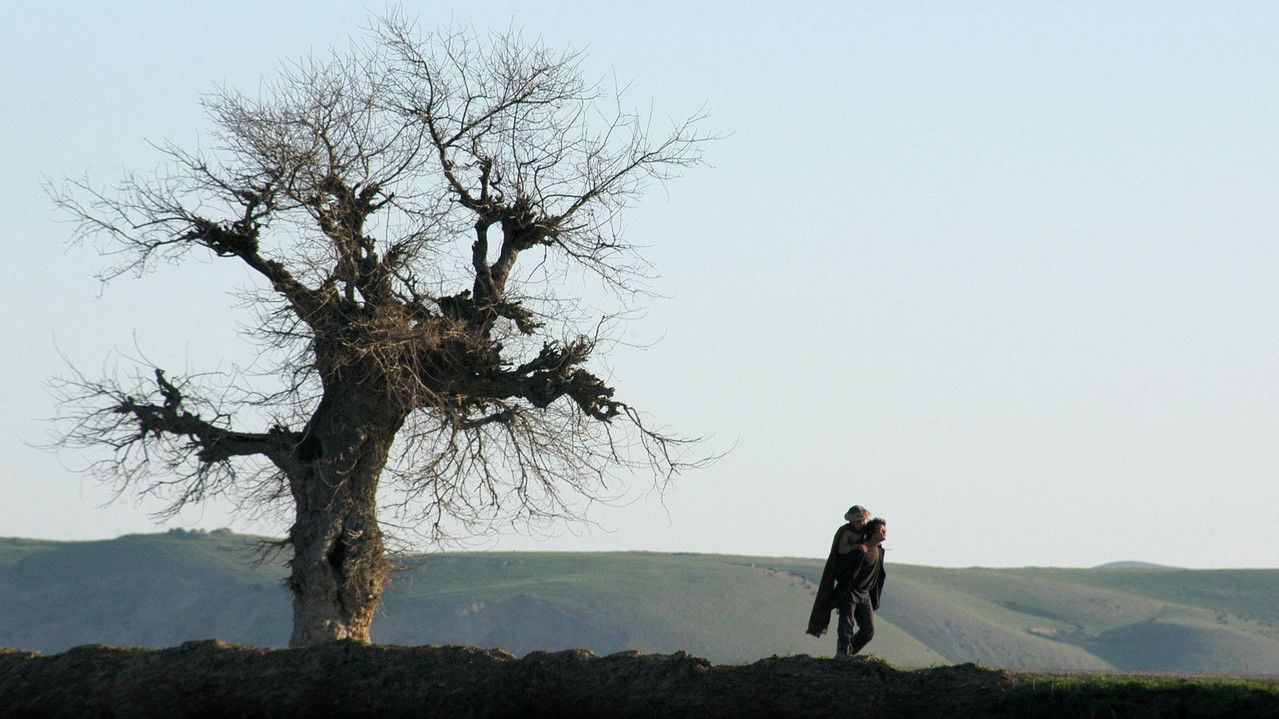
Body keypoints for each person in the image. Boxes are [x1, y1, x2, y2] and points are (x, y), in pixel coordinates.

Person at [806, 506, 872, 639]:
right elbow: (841, 549)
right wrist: (856, 547)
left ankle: (849, 649)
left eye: (863, 520)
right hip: (845, 575)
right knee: (846, 620)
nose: (862, 523)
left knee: (867, 628)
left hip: (860, 581)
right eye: (859, 521)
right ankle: (843, 651)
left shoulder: (865, 531)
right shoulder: (845, 531)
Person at [831, 518, 887, 658]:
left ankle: (849, 653)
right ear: (872, 533)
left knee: (868, 630)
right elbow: (842, 569)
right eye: (881, 530)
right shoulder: (860, 549)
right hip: (850, 591)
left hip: (865, 593)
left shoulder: (879, 551)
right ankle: (842, 654)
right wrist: (842, 592)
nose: (884, 532)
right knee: (846, 625)